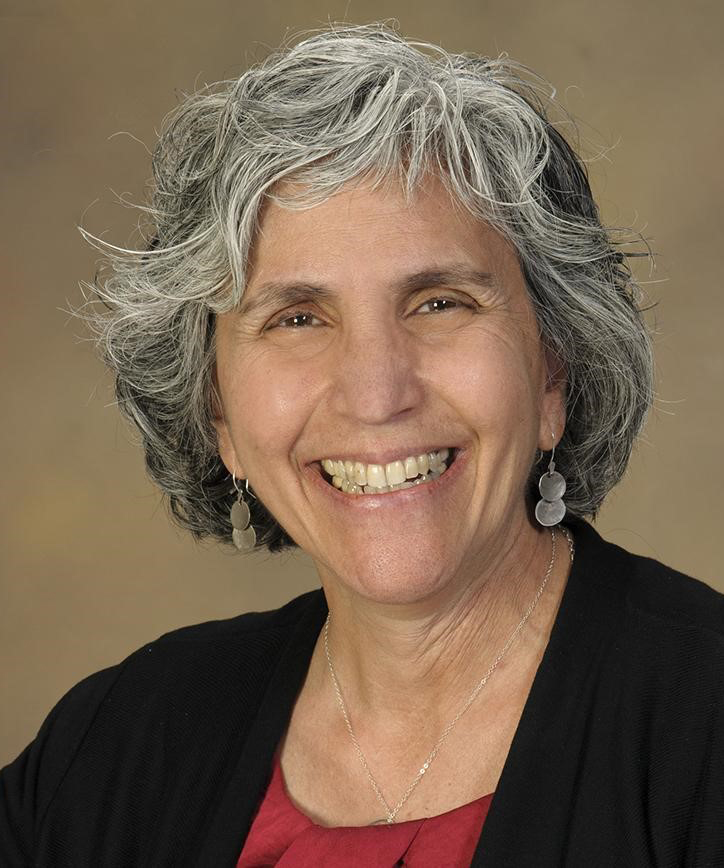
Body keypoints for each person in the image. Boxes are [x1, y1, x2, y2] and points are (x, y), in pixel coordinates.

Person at [1, 21, 722, 868]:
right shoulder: (118, 749)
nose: (377, 394)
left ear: (552, 374)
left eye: (440, 303)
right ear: (218, 413)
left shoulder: (705, 730)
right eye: (298, 318)